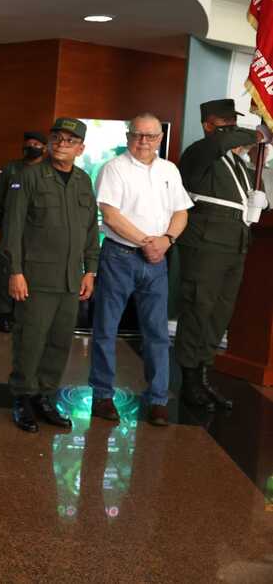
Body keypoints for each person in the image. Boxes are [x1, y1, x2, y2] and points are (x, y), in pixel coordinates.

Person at [88, 113, 192, 426]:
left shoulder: (168, 169)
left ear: (160, 138)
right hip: (120, 256)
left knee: (157, 332)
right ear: (127, 136)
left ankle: (158, 399)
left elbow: (181, 212)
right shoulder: (114, 168)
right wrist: (148, 241)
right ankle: (102, 396)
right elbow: (110, 214)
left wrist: (167, 240)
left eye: (150, 136)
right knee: (106, 329)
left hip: (157, 260)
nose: (143, 142)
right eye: (137, 135)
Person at [1, 117, 99, 433]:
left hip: (71, 279)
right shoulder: (29, 177)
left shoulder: (84, 181)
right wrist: (14, 271)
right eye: (56, 137)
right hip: (36, 277)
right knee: (30, 340)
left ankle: (45, 396)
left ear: (81, 148)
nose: (61, 144)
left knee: (58, 343)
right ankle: (22, 398)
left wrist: (91, 270)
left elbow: (90, 229)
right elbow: (12, 228)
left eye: (70, 140)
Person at [175, 99, 266, 411]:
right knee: (198, 309)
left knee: (219, 315)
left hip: (234, 244)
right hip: (205, 246)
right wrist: (258, 132)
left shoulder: (236, 162)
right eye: (224, 121)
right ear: (208, 125)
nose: (231, 126)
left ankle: (202, 376)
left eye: (233, 120)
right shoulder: (200, 153)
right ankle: (188, 381)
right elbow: (225, 140)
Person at [0, 131, 48, 332]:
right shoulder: (11, 169)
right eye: (28, 143)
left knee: (30, 271)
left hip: (35, 233)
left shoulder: (47, 171)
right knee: (6, 269)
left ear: (44, 148)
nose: (31, 147)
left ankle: (24, 314)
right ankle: (4, 314)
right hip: (8, 227)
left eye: (36, 144)